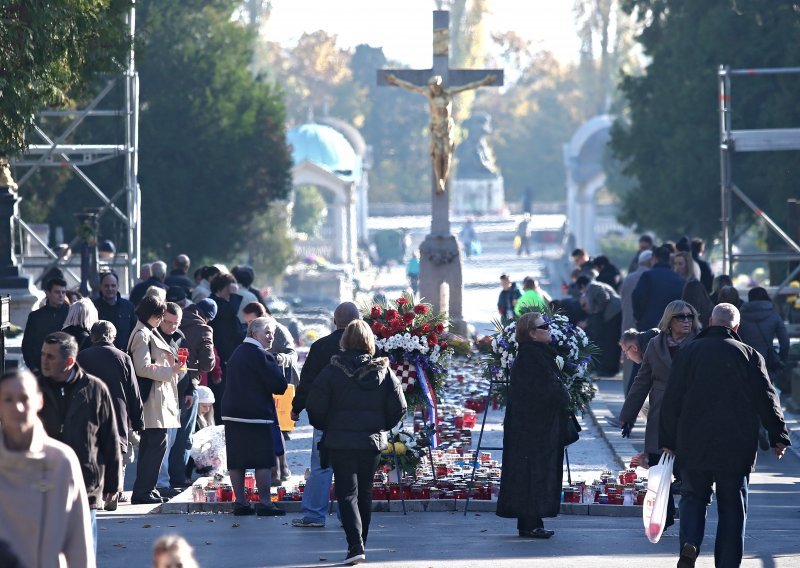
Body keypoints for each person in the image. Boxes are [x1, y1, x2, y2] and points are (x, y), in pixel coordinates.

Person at [660, 303, 790, 568]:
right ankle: (728, 563)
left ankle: (691, 541)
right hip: (736, 445)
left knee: (693, 497)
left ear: (710, 322)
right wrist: (779, 435)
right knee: (732, 507)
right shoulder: (749, 355)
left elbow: (671, 400)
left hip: (694, 442)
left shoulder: (689, 353)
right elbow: (767, 398)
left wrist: (668, 441)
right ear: (736, 327)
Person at [306, 320, 407, 565]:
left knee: (346, 493)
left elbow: (315, 406)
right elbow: (400, 407)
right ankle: (362, 542)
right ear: (369, 342)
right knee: (365, 492)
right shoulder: (384, 373)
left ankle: (355, 545)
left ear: (345, 341)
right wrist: (381, 426)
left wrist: (326, 426)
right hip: (370, 441)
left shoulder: (331, 371)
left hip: (340, 441)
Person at [0, 370, 95, 568]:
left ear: (39, 401)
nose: (17, 407)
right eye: (8, 399)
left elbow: (78, 537)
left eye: (24, 398)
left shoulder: (61, 460)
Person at [619, 300, 700, 527]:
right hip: (661, 410)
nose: (686, 321)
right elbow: (642, 380)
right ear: (669, 320)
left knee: (686, 467)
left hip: (690, 409)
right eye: (681, 317)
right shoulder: (655, 344)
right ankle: (665, 514)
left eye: (690, 316)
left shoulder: (700, 342)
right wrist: (628, 415)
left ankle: (692, 516)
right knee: (657, 463)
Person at [38, 332, 121, 552]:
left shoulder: (94, 389)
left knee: (83, 552)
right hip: (42, 483)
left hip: (85, 484)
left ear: (69, 361)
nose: (44, 360)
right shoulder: (33, 388)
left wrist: (113, 482)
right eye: (43, 354)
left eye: (51, 357)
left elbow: (109, 437)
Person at [496, 312, 571, 539]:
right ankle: (530, 523)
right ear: (531, 334)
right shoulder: (532, 357)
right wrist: (563, 395)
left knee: (533, 473)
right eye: (543, 326)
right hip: (533, 429)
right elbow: (545, 390)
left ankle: (532, 521)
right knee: (533, 474)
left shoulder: (537, 354)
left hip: (535, 427)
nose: (549, 329)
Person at [290, 301, 360, 529]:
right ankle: (348, 515)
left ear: (334, 321)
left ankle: (313, 515)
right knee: (351, 468)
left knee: (321, 466)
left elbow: (308, 381)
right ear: (358, 321)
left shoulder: (320, 346)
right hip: (357, 420)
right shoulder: (367, 347)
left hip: (327, 418)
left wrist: (296, 407)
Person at [384, 72, 497, 192]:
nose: (434, 88)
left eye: (436, 86)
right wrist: (395, 81)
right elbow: (412, 87)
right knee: (437, 154)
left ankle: (444, 177)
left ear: (440, 86)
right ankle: (440, 180)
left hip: (447, 128)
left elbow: (468, 86)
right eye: (432, 86)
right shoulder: (429, 94)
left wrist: (484, 82)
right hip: (437, 129)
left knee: (447, 154)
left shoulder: (448, 93)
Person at [222, 316, 288, 516]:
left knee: (236, 459)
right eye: (267, 332)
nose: (270, 337)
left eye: (273, 334)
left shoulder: (237, 352)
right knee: (263, 460)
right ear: (253, 333)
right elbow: (280, 386)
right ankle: (265, 503)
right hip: (257, 414)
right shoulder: (262, 356)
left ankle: (240, 503)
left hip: (232, 413)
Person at [77, 320, 144, 510]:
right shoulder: (123, 358)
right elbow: (134, 392)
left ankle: (95, 492)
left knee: (93, 451)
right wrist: (138, 421)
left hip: (90, 411)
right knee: (117, 453)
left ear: (93, 336)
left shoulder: (82, 357)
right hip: (117, 411)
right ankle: (115, 490)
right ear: (112, 336)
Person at [127, 295, 183, 504]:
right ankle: (143, 491)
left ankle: (146, 489)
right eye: (160, 316)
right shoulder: (142, 334)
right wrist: (169, 370)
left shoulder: (146, 331)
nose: (161, 321)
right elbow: (142, 368)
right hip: (152, 399)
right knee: (155, 444)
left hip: (158, 397)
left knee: (155, 445)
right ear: (152, 315)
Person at [241, 301, 298, 481]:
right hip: (261, 385)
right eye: (247, 323)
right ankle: (276, 469)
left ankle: (282, 467)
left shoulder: (277, 330)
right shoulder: (252, 332)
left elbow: (292, 354)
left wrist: (277, 358)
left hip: (280, 382)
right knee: (271, 428)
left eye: (250, 322)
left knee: (278, 428)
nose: (248, 326)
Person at [173, 298, 217, 486]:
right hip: (188, 385)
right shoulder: (203, 329)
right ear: (207, 318)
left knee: (166, 435)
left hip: (165, 381)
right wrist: (196, 368)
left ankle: (162, 478)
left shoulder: (176, 318)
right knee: (184, 435)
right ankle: (178, 476)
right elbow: (208, 363)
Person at [154, 302, 188, 496]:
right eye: (168, 322)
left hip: (178, 394)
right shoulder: (155, 337)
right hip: (161, 393)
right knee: (163, 441)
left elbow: (186, 363)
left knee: (173, 439)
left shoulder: (179, 337)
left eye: (176, 323)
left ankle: (164, 481)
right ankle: (161, 483)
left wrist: (190, 388)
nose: (171, 326)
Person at [208, 272, 245, 422]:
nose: (231, 294)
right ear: (221, 288)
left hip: (227, 356)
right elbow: (230, 314)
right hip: (221, 357)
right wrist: (235, 295)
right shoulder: (216, 304)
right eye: (229, 290)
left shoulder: (223, 303)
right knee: (220, 394)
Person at [738, 287, 790, 382]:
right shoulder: (774, 315)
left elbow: (736, 339)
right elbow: (785, 342)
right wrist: (782, 360)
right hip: (767, 361)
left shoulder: (740, 316)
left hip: (746, 360)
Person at [22, 276, 69, 372]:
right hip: (40, 370)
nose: (61, 295)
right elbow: (27, 344)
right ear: (48, 293)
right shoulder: (35, 316)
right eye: (57, 292)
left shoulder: (70, 314)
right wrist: (33, 367)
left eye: (63, 292)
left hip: (64, 369)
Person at [632, 245, 685, 330]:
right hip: (671, 327)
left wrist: (639, 317)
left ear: (654, 258)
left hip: (648, 326)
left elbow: (637, 296)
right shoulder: (679, 279)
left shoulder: (647, 276)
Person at [581, 280, 622, 376]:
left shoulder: (592, 286)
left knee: (610, 342)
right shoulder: (596, 285)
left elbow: (604, 297)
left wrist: (597, 312)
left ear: (582, 286)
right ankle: (611, 369)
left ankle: (608, 370)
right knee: (611, 342)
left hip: (613, 313)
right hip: (615, 312)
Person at [94, 271, 138, 350]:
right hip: (101, 353)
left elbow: (135, 330)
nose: (110, 288)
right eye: (106, 286)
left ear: (118, 286)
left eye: (113, 285)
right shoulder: (94, 307)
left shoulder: (128, 306)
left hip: (125, 353)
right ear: (101, 287)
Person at [674, 251, 714, 328]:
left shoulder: (693, 285)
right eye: (675, 264)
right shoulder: (677, 283)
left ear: (688, 265)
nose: (677, 267)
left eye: (680, 264)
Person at [618, 327, 660, 397]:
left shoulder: (650, 354)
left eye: (626, 352)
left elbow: (640, 387)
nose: (627, 357)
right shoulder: (650, 346)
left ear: (634, 347)